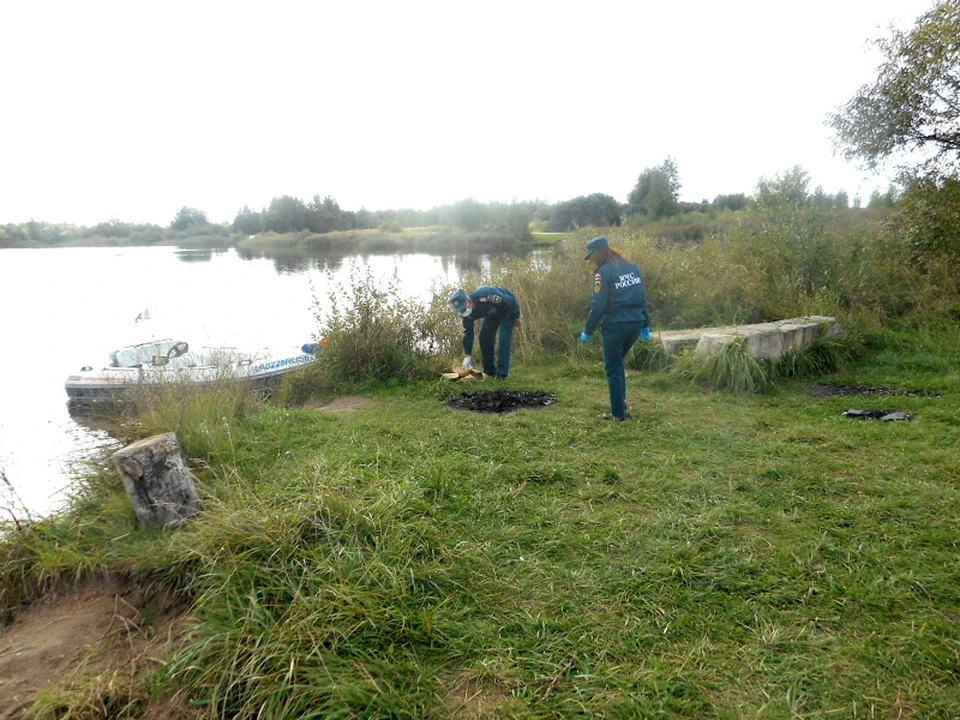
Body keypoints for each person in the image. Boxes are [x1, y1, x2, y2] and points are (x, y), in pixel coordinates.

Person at [579, 236, 651, 421]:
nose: (591, 261)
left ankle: (618, 413)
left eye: (591, 257)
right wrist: (646, 324)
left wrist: (588, 330)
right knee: (618, 364)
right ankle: (622, 403)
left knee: (613, 368)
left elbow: (599, 306)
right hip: (635, 323)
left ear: (597, 254)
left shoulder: (602, 273)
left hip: (615, 327)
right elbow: (642, 298)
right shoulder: (633, 268)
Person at [449, 286, 521, 379]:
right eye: (460, 310)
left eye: (463, 308)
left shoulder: (487, 295)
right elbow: (468, 334)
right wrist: (467, 356)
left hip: (507, 309)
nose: (463, 311)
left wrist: (516, 317)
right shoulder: (465, 315)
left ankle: (502, 374)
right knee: (484, 337)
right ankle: (489, 372)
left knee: (504, 338)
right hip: (492, 313)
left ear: (469, 301)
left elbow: (510, 301)